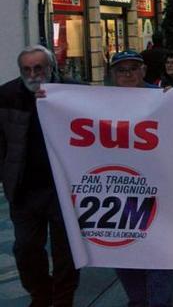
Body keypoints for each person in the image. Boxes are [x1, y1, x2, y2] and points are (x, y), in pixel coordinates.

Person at [0, 46, 80, 307]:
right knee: (25, 248)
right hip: (25, 188)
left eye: (39, 68)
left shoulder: (73, 90)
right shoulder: (8, 95)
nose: (33, 74)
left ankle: (63, 298)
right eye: (27, 69)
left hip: (64, 187)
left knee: (66, 252)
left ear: (51, 67)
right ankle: (40, 293)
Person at [107, 50, 173, 307]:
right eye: (122, 70)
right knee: (124, 254)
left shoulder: (163, 98)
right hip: (120, 193)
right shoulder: (97, 101)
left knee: (159, 255)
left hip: (159, 191)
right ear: (113, 75)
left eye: (133, 69)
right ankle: (137, 301)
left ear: (144, 71)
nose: (128, 75)